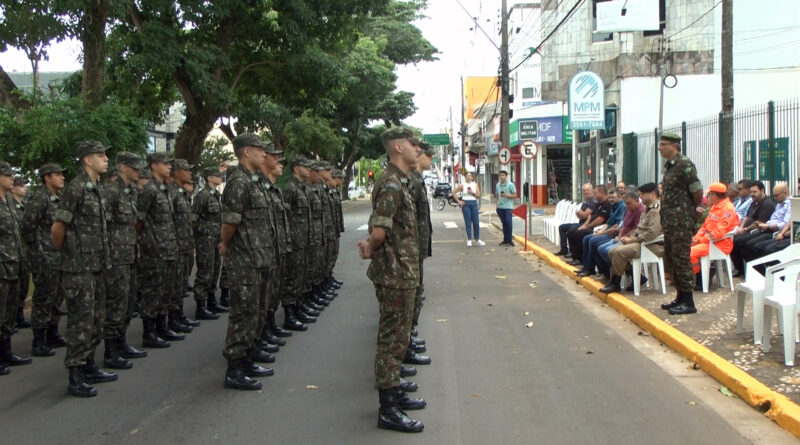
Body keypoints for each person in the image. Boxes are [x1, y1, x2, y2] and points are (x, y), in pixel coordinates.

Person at [358, 126, 426, 433]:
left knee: (397, 338)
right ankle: (387, 408)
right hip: (396, 274)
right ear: (398, 147)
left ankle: (394, 389)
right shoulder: (392, 184)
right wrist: (370, 248)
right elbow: (380, 230)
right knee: (391, 339)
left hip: (403, 271)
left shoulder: (399, 181)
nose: (417, 149)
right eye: (413, 144)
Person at [52, 141, 116, 397]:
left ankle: (89, 364)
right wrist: (68, 255)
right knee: (81, 320)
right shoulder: (76, 188)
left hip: (98, 265)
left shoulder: (97, 188)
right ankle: (75, 375)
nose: (105, 159)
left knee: (97, 318)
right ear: (87, 160)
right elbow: (58, 227)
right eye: (101, 155)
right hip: (79, 268)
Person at [219, 133, 277, 390]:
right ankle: (235, 368)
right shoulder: (238, 182)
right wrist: (225, 244)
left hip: (260, 258)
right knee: (243, 314)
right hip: (245, 260)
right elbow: (230, 222)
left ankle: (248, 357)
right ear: (245, 152)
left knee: (257, 312)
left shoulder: (255, 181)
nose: (264, 154)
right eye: (259, 149)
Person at [103, 152, 148, 370]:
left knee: (128, 303)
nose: (138, 171)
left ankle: (121, 343)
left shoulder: (129, 192)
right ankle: (111, 352)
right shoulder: (111, 192)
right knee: (116, 304)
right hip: (116, 259)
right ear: (122, 167)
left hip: (130, 256)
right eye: (134, 166)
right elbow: (103, 226)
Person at [21, 163, 68, 357]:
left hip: (59, 256)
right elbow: (27, 226)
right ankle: (38, 340)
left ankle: (53, 333)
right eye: (58, 175)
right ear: (47, 177)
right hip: (44, 258)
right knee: (43, 299)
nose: (62, 178)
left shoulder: (60, 198)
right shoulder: (39, 198)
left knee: (57, 296)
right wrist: (38, 250)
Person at [137, 153, 183, 349]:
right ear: (154, 166)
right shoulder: (149, 190)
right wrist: (148, 242)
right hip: (155, 250)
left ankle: (161, 326)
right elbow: (139, 220)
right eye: (165, 164)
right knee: (153, 291)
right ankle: (149, 332)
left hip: (169, 247)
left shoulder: (164, 189)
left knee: (166, 289)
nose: (169, 167)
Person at [657, 133, 704, 315]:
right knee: (671, 258)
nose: (660, 147)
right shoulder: (670, 166)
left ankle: (688, 300)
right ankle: (680, 297)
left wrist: (689, 210)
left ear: (674, 146)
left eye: (663, 144)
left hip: (681, 221)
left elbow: (697, 191)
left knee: (682, 258)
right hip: (670, 220)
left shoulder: (684, 164)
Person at [601, 183, 663, 293]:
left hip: (651, 245)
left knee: (619, 252)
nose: (641, 198)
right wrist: (628, 237)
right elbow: (640, 229)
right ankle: (637, 278)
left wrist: (632, 240)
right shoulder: (648, 209)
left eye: (642, 195)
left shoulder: (656, 210)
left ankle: (615, 283)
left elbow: (652, 233)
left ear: (652, 194)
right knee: (611, 251)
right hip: (642, 242)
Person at [0, 162, 31, 375]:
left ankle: (6, 352)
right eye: (7, 174)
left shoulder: (9, 201)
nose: (12, 178)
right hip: (1, 265)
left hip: (14, 263)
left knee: (10, 311)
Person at [258, 144, 288, 360]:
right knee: (254, 303)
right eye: (275, 157)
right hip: (256, 253)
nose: (279, 162)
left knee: (271, 293)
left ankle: (267, 329)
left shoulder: (271, 188)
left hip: (273, 248)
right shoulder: (250, 184)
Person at [406, 138, 434, 364]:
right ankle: (405, 342)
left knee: (417, 292)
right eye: (428, 155)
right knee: (412, 294)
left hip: (417, 247)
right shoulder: (410, 182)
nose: (430, 159)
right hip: (410, 249)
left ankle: (409, 336)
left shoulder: (417, 180)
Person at [280, 156, 313, 331]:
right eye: (305, 165)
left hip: (303, 239)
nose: (308, 168)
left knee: (301, 275)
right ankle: (289, 315)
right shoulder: (290, 189)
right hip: (293, 240)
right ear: (296, 168)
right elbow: (284, 216)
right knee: (292, 278)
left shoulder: (302, 188)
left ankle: (298, 307)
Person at [169, 159, 200, 332]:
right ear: (176, 172)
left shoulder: (182, 194)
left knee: (181, 283)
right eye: (185, 170)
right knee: (173, 285)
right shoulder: (172, 193)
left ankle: (178, 316)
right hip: (174, 246)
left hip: (185, 245)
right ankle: (171, 320)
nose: (189, 173)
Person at [689, 183, 739, 289]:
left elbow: (718, 232)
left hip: (719, 244)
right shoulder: (715, 207)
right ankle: (701, 275)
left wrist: (701, 240)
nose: (707, 197)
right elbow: (705, 226)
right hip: (709, 242)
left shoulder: (727, 209)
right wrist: (697, 237)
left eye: (709, 195)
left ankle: (700, 278)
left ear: (715, 195)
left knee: (690, 253)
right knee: (686, 249)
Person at [735, 183, 792, 270]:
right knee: (742, 242)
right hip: (767, 228)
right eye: (774, 195)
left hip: (774, 231)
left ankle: (764, 272)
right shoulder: (779, 204)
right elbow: (748, 217)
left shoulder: (789, 205)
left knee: (758, 247)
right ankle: (755, 271)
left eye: (777, 195)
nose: (775, 198)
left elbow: (785, 223)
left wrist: (768, 226)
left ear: (785, 193)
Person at [595, 187, 646, 280]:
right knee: (601, 249)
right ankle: (630, 272)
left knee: (608, 251)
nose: (627, 206)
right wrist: (618, 237)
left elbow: (636, 229)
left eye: (629, 203)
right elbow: (624, 226)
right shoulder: (629, 209)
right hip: (621, 237)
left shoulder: (640, 211)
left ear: (636, 200)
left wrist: (623, 238)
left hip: (631, 240)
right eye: (626, 203)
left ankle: (621, 275)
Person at [730, 181, 777, 276]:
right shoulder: (754, 202)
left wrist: (745, 229)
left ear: (762, 190)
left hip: (762, 231)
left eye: (754, 192)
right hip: (749, 230)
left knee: (744, 242)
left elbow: (759, 223)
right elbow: (747, 217)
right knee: (734, 239)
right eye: (751, 192)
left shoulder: (767, 204)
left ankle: (756, 271)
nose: (752, 194)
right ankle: (741, 269)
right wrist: (741, 227)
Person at [576, 189, 625, 277]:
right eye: (609, 198)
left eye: (613, 197)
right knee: (587, 238)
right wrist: (601, 231)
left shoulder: (622, 207)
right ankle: (588, 267)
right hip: (608, 231)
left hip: (614, 234)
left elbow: (617, 226)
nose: (610, 200)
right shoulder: (613, 206)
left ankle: (604, 272)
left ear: (620, 197)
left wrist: (600, 233)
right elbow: (608, 223)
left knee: (593, 241)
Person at [567, 185, 611, 265]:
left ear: (602, 193)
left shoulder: (607, 204)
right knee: (574, 231)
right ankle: (578, 258)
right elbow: (589, 217)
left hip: (600, 227)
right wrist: (585, 226)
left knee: (580, 234)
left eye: (595, 192)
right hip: (590, 225)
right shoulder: (598, 203)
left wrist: (587, 226)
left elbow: (600, 220)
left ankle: (584, 261)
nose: (594, 194)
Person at [10, 176, 31, 331]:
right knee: (13, 287)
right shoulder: (9, 205)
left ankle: (18, 315)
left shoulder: (23, 206)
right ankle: (13, 318)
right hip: (10, 252)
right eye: (21, 186)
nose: (24, 188)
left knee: (23, 285)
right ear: (13, 188)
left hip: (23, 252)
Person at [554, 183, 596, 256]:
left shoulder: (594, 202)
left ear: (592, 190)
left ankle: (574, 253)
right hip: (580, 222)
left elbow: (584, 214)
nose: (586, 192)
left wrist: (581, 213)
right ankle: (564, 249)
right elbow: (579, 215)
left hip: (587, 224)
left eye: (588, 190)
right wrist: (581, 213)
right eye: (584, 190)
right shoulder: (585, 202)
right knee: (562, 227)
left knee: (572, 231)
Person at [452, 172, 484, 247]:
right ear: (465, 177)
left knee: (476, 222)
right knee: (468, 222)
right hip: (465, 203)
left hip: (473, 203)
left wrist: (472, 193)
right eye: (467, 175)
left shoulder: (475, 185)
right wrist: (458, 201)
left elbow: (478, 195)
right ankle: (469, 239)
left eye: (470, 175)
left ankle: (477, 239)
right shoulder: (462, 185)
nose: (468, 176)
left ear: (472, 177)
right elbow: (453, 192)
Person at [495, 170, 517, 247]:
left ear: (506, 176)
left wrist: (507, 195)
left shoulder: (510, 185)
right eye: (500, 175)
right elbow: (497, 195)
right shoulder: (498, 185)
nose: (501, 177)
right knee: (504, 223)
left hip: (508, 207)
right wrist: (496, 205)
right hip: (500, 207)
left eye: (503, 175)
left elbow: (515, 195)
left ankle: (510, 240)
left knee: (508, 222)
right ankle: (505, 240)